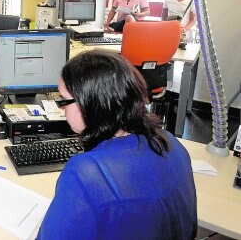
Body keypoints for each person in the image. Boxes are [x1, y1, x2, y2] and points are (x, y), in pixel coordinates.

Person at [37, 50, 197, 239]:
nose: (62, 108)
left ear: (91, 103)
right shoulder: (171, 143)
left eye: (64, 100)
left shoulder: (85, 173)